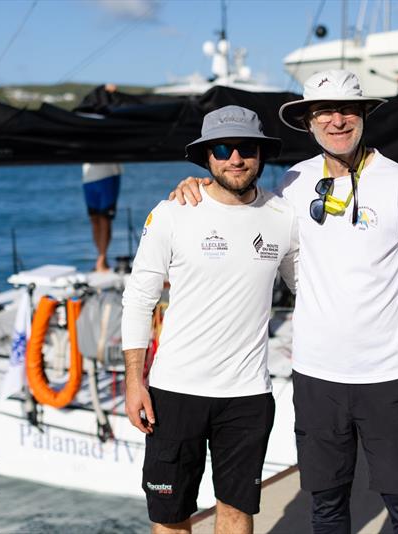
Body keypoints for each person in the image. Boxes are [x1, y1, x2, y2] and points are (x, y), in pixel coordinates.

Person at [172, 70, 398, 534]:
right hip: (316, 376)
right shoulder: (293, 183)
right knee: (326, 503)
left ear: (363, 116)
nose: (336, 121)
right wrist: (199, 187)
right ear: (308, 122)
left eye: (347, 110)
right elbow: (243, 209)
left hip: (388, 374)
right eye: (324, 112)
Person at [121, 105, 298, 534]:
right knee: (170, 517)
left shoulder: (284, 216)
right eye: (222, 148)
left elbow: (310, 290)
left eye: (246, 148)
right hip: (175, 392)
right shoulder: (173, 212)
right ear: (207, 157)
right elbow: (139, 299)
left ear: (261, 154)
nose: (235, 158)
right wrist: (133, 380)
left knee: (236, 513)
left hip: (248, 395)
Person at [82, 161, 123, 271]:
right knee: (94, 219)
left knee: (105, 219)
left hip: (108, 175)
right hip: (88, 178)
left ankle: (101, 258)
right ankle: (101, 258)